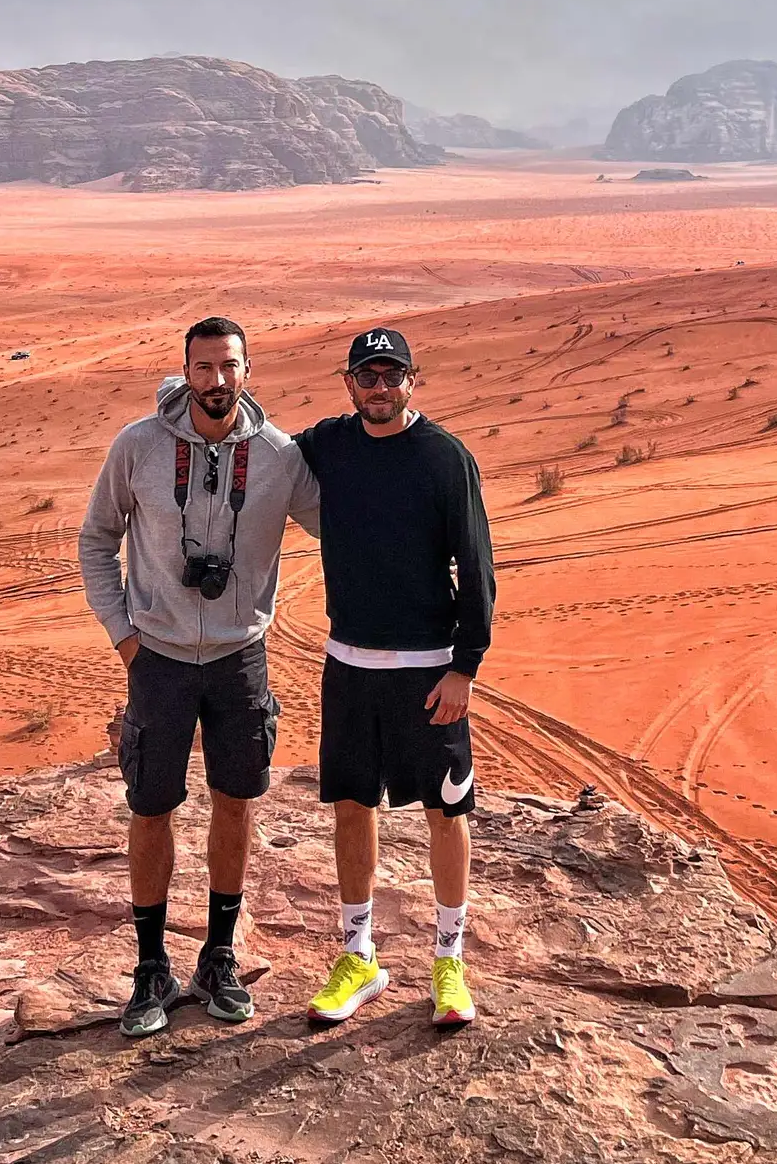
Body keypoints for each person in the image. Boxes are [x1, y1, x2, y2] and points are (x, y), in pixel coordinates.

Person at [79, 315, 319, 1039]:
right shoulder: (139, 446)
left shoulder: (279, 456)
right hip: (157, 657)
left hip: (240, 657)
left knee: (236, 802)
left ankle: (218, 957)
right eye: (204, 367)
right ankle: (151, 966)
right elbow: (97, 538)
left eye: (229, 366)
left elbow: (343, 525)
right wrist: (124, 636)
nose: (217, 380)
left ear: (249, 370)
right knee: (151, 806)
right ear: (186, 372)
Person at [295, 327, 496, 1031]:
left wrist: (465, 666)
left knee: (447, 811)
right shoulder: (329, 444)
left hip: (428, 670)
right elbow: (256, 445)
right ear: (348, 383)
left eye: (392, 375)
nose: (380, 388)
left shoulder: (445, 458)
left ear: (413, 379)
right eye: (367, 376)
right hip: (349, 665)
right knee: (353, 806)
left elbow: (477, 565)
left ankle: (449, 962)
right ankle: (359, 956)